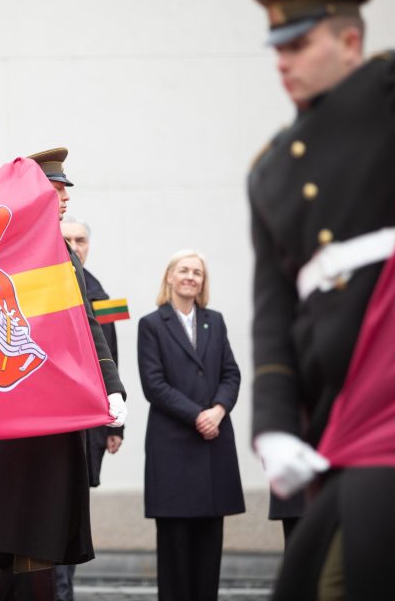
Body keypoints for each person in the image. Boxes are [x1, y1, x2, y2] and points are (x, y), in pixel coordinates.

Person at [248, 0, 395, 599]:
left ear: (351, 40)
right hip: (341, 416)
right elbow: (273, 315)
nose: (283, 61)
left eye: (298, 44)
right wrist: (272, 424)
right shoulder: (268, 170)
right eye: (276, 48)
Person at [0, 147, 127, 601]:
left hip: (54, 414)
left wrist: (111, 386)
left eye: (65, 190)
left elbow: (87, 325)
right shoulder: (9, 247)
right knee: (27, 544)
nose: (65, 197)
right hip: (20, 409)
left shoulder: (60, 252)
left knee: (31, 547)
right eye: (56, 190)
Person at [137, 250, 244, 601]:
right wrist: (197, 415)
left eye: (197, 272)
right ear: (169, 277)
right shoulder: (152, 325)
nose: (190, 277)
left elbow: (231, 373)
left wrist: (219, 409)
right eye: (183, 270)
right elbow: (154, 385)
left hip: (213, 446)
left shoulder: (216, 320)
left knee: (209, 547)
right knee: (175, 550)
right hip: (173, 451)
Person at [55, 218, 124, 601]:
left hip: (91, 423)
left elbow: (110, 355)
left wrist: (117, 427)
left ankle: (65, 589)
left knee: (75, 512)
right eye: (68, 239)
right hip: (57, 421)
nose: (75, 246)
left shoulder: (102, 295)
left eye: (81, 240)